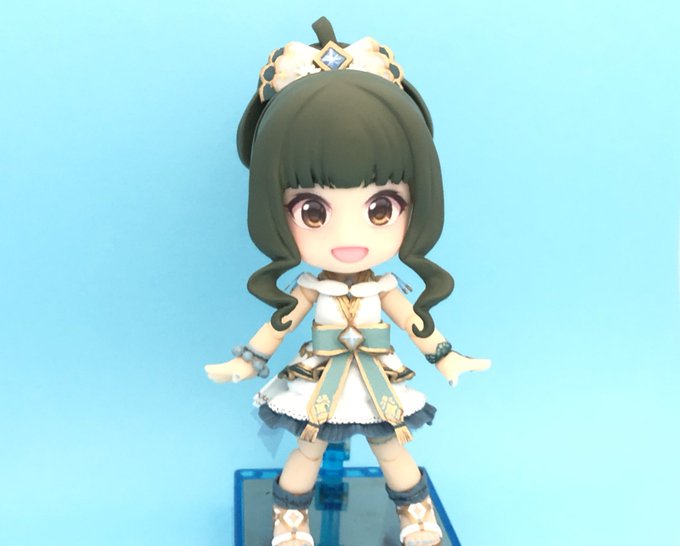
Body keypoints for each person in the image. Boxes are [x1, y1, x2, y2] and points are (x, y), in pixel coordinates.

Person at [205, 17, 490, 546]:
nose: (349, 238)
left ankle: (416, 516)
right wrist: (246, 362)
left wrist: (446, 356)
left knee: (391, 448)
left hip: (377, 381)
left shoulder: (385, 288)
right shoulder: (311, 288)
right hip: (320, 381)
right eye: (312, 212)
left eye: (381, 208)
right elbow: (280, 325)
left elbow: (414, 322)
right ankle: (290, 520)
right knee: (308, 449)